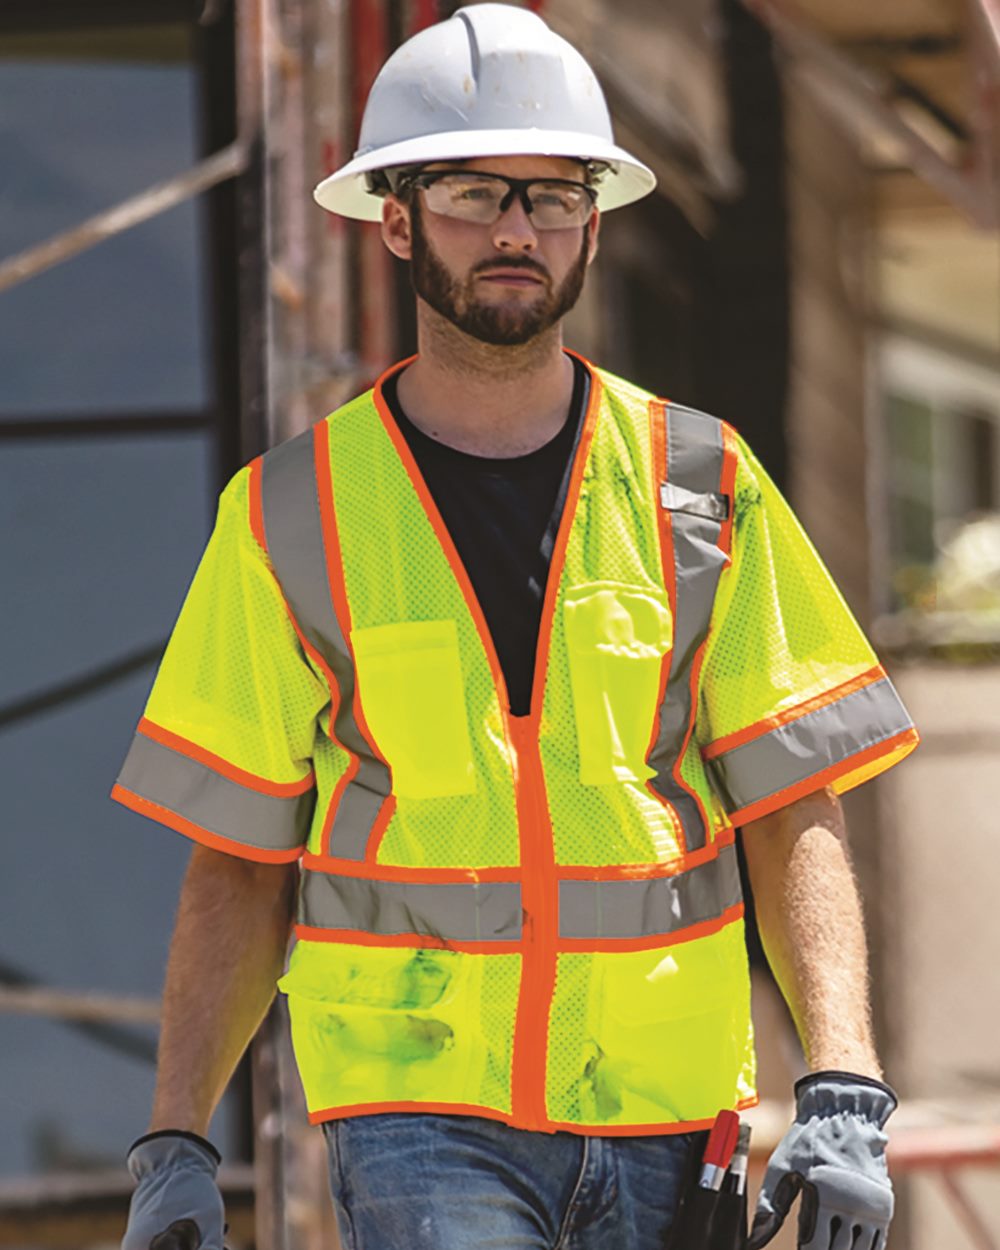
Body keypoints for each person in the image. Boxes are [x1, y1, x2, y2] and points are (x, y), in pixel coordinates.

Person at [116, 6, 918, 1249]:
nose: (513, 229)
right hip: (417, 1105)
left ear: (593, 223)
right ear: (393, 215)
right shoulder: (289, 512)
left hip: (671, 1105)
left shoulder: (697, 481)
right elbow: (236, 849)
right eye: (474, 191)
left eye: (551, 197)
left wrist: (846, 1081)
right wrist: (175, 1135)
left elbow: (793, 801)